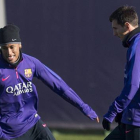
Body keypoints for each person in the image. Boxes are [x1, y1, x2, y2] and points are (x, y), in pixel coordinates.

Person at [0, 24, 99, 140]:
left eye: (12, 47)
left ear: (20, 45)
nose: (9, 52)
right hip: (10, 133)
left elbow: (59, 86)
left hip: (33, 123)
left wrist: (84, 107)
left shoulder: (31, 63)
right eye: (4, 48)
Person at [102, 5, 140, 140]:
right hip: (129, 116)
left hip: (136, 121)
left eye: (115, 28)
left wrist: (113, 111)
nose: (114, 33)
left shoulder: (137, 45)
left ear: (127, 25)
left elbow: (133, 85)